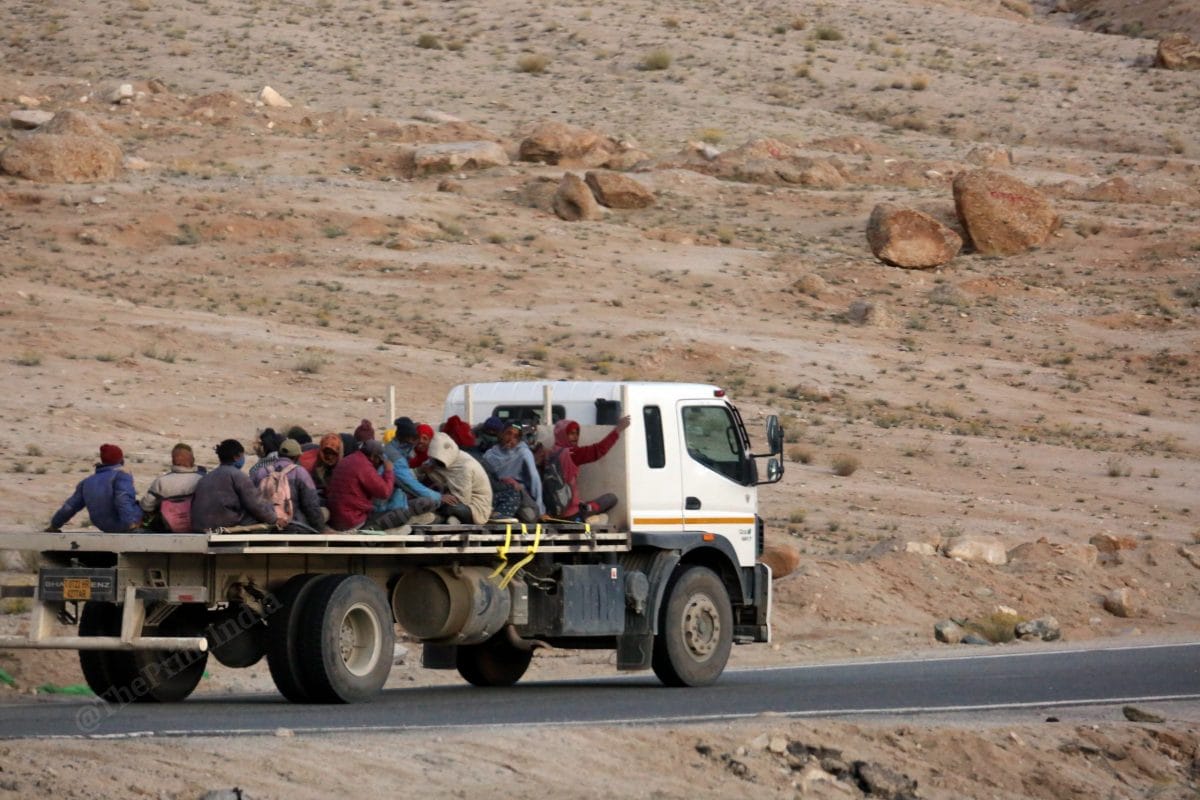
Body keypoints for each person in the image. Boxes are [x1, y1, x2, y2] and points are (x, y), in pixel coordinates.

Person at [550, 415, 632, 521]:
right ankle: (589, 520)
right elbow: (598, 450)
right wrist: (618, 430)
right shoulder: (572, 453)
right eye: (571, 434)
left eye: (577, 433)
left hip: (554, 510)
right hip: (571, 513)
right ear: (563, 435)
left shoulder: (551, 452)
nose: (575, 437)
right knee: (611, 498)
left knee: (586, 504)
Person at [47, 444, 143, 532]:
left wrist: (54, 525)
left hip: (103, 526)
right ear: (120, 459)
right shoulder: (121, 475)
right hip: (124, 524)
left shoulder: (87, 482)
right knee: (147, 506)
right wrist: (130, 524)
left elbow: (70, 507)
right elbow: (122, 499)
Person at [191, 439, 278, 532]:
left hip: (200, 526)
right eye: (243, 455)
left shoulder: (205, 478)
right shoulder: (237, 475)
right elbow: (255, 505)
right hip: (224, 524)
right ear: (237, 457)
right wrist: (274, 519)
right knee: (259, 516)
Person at [326, 439, 409, 531]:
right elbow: (385, 492)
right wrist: (389, 471)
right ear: (373, 457)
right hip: (353, 520)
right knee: (400, 513)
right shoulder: (364, 466)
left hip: (336, 518)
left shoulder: (348, 459)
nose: (379, 464)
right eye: (379, 460)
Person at [253, 438, 328, 533]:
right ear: (297, 457)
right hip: (295, 526)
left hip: (266, 527)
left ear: (279, 454)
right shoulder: (300, 472)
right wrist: (320, 530)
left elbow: (251, 501)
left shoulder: (261, 472)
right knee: (326, 512)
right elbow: (311, 505)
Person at [420, 432, 493, 524]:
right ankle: (447, 518)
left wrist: (439, 498)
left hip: (472, 508)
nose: (436, 463)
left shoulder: (465, 466)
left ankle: (440, 518)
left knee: (447, 506)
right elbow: (426, 474)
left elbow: (462, 500)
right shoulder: (436, 461)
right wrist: (425, 471)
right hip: (451, 499)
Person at [381, 417, 443, 516]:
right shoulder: (396, 457)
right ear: (408, 439)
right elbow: (410, 485)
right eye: (416, 438)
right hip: (386, 507)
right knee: (429, 503)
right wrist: (439, 497)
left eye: (424, 438)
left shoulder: (394, 449)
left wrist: (419, 471)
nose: (419, 442)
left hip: (393, 499)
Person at [482, 423, 543, 519]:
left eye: (515, 437)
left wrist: (540, 507)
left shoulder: (523, 453)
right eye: (508, 433)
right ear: (501, 434)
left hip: (519, 494)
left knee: (528, 514)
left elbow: (534, 479)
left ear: (519, 440)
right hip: (498, 492)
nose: (511, 439)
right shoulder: (490, 454)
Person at [140, 443, 205, 531]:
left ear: (173, 461)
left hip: (166, 528)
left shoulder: (161, 481)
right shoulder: (203, 479)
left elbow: (146, 506)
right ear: (193, 459)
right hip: (198, 526)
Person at [303, 432, 343, 504]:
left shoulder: (344, 467)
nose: (329, 457)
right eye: (326, 453)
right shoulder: (312, 465)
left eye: (333, 453)